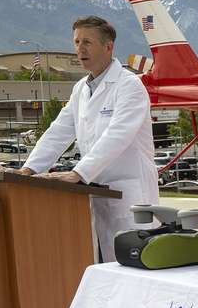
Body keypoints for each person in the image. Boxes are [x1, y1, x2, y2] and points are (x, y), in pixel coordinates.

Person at [21, 15, 158, 261]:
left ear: (108, 46)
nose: (80, 49)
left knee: (136, 267)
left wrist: (78, 173)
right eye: (76, 42)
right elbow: (58, 131)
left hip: (130, 196)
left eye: (87, 42)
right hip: (98, 194)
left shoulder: (129, 86)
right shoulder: (80, 89)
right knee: (106, 268)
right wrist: (29, 169)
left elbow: (118, 135)